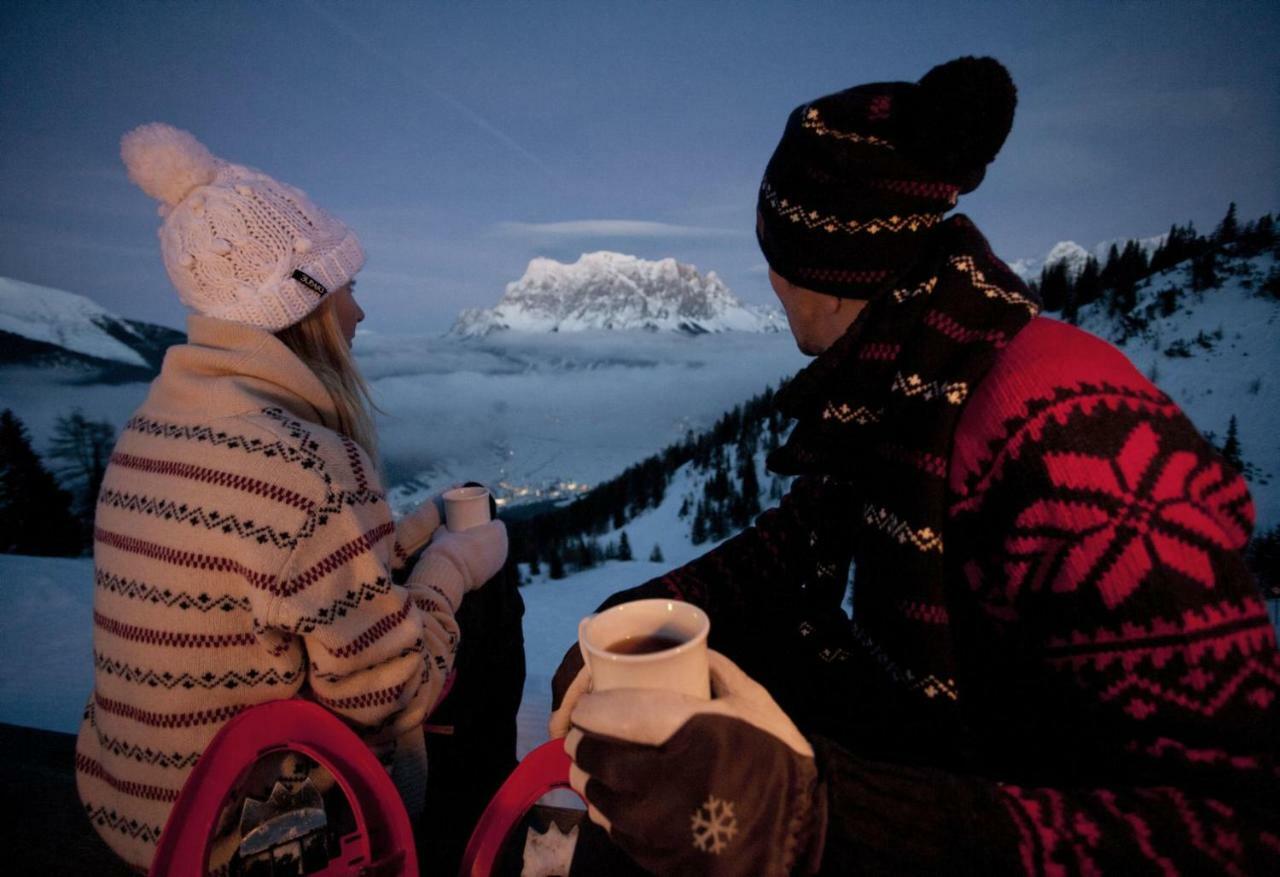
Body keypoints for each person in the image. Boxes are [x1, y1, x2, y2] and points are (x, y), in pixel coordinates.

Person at [550, 57, 1279, 874]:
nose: (770, 282)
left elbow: (1235, 826)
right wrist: (644, 612)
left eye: (774, 256)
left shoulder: (1073, 434)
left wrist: (816, 816)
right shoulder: (907, 380)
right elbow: (802, 535)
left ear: (823, 277)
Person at [75, 123, 517, 874]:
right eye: (351, 286)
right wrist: (452, 569)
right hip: (247, 842)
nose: (360, 314)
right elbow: (389, 692)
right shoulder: (303, 461)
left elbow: (273, 575)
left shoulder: (151, 430)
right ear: (303, 300)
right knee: (495, 604)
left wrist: (406, 539)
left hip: (133, 809)